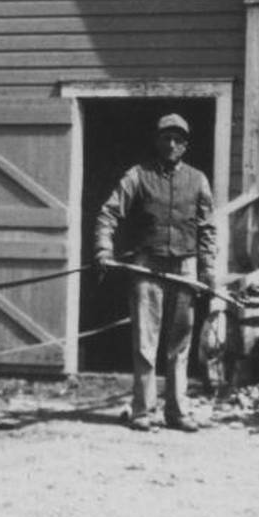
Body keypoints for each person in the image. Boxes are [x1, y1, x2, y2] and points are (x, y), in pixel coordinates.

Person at [94, 113, 217, 432]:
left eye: (178, 139)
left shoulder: (198, 179)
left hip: (185, 265)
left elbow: (207, 229)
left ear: (185, 145)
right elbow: (108, 213)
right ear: (157, 141)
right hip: (147, 264)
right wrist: (103, 249)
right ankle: (143, 411)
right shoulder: (137, 176)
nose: (172, 144)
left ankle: (177, 412)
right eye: (166, 138)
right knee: (146, 341)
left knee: (180, 343)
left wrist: (208, 269)